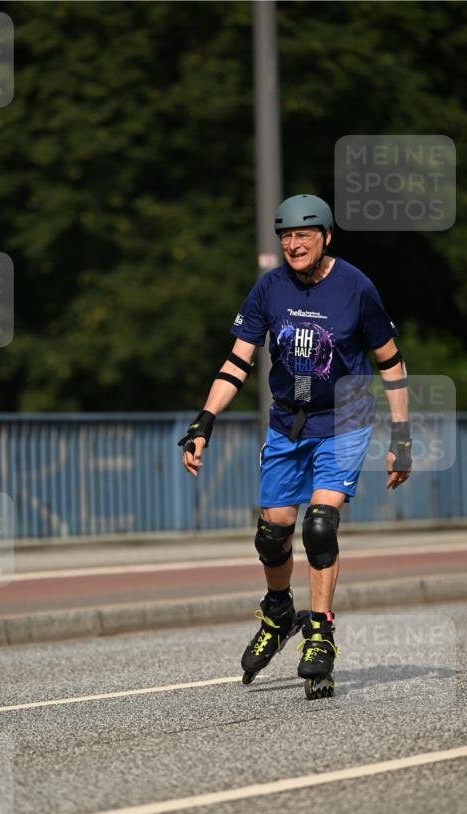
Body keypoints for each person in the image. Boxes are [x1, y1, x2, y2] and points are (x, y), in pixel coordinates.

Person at [178, 194, 411, 699]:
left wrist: (401, 436)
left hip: (344, 420)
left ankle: (320, 634)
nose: (294, 244)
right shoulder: (270, 287)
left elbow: (391, 361)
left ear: (326, 236)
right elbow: (237, 361)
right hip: (287, 424)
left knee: (319, 526)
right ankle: (280, 611)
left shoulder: (356, 287)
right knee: (272, 533)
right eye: (285, 236)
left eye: (304, 234)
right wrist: (204, 421)